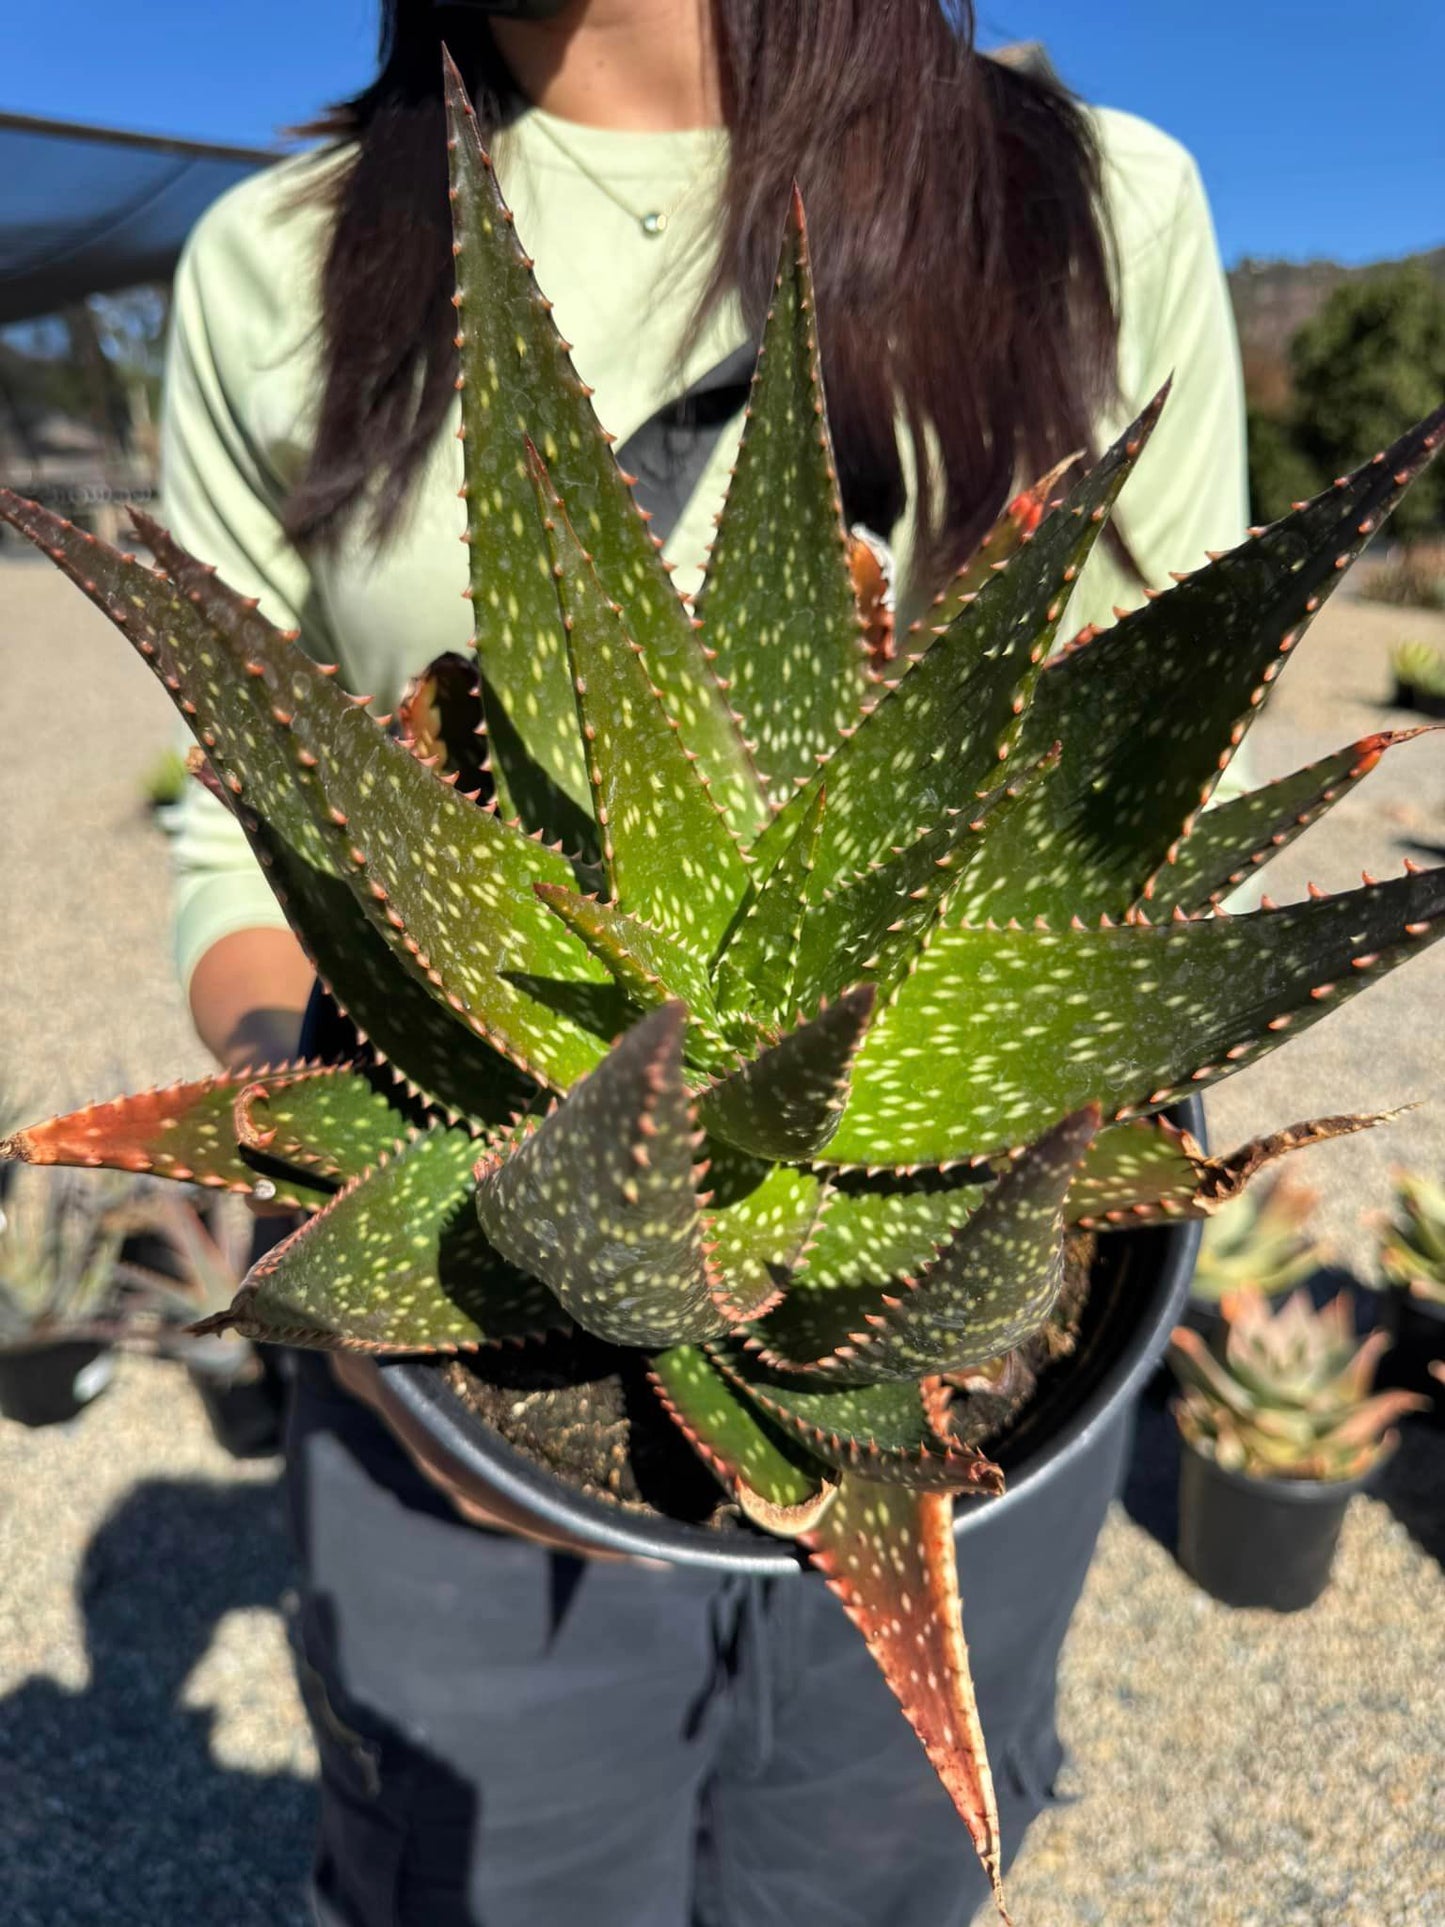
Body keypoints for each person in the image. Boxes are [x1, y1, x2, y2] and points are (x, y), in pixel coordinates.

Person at [161, 3, 1246, 1921]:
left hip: (959, 1283)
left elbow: (1156, 799)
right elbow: (234, 838)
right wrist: (330, 1176)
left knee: (872, 1878)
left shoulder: (1089, 199)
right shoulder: (284, 258)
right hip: (472, 1252)